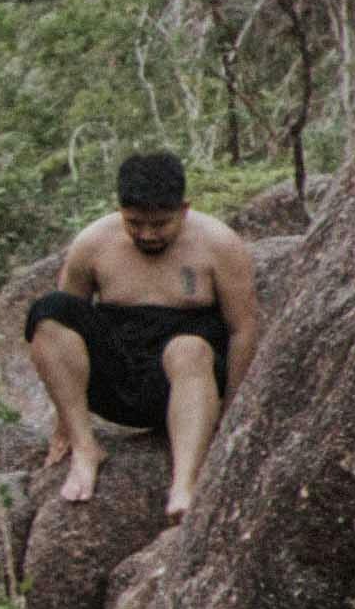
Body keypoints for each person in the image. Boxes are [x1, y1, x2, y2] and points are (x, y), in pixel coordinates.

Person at [23, 148, 263, 520]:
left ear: (184, 210)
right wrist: (63, 425)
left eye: (161, 224)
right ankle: (86, 449)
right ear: (120, 210)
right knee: (49, 311)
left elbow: (242, 329)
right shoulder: (93, 243)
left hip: (186, 381)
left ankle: (184, 485)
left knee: (188, 349)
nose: (147, 234)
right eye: (135, 223)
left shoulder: (219, 245)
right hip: (117, 376)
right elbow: (66, 329)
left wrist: (231, 412)